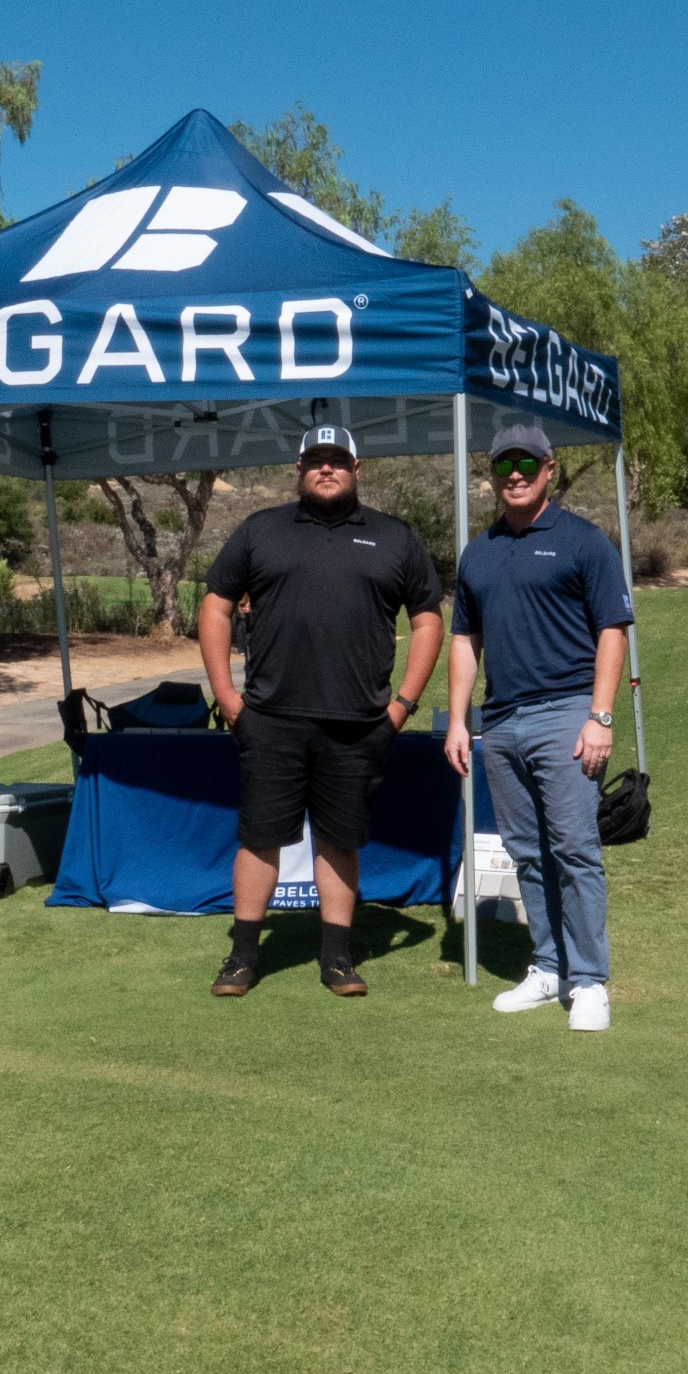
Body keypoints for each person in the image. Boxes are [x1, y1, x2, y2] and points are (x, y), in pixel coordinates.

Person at [198, 425, 445, 997]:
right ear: (299, 469)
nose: (325, 469)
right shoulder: (261, 530)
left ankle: (336, 958)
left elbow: (428, 620)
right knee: (260, 837)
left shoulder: (394, 536)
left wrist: (402, 706)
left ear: (357, 469)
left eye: (336, 461)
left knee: (339, 841)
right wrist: (229, 700)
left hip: (359, 726)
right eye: (315, 461)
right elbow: (214, 607)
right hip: (270, 720)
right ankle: (242, 957)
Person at [442, 422, 634, 1031]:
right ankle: (549, 966)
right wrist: (457, 720)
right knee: (526, 852)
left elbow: (612, 631)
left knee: (574, 849)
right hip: (501, 721)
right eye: (504, 466)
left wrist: (600, 716)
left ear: (550, 469)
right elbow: (465, 640)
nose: (515, 475)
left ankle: (590, 980)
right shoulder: (479, 552)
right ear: (492, 475)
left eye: (527, 464)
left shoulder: (583, 541)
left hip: (567, 713)